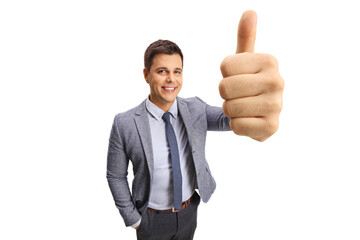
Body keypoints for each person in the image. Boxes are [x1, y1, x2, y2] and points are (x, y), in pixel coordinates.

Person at [106, 10, 284, 240]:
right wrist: (135, 220)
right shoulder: (125, 123)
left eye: (177, 71)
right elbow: (115, 175)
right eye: (162, 71)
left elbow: (229, 119)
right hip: (150, 220)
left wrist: (251, 103)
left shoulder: (195, 109)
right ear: (146, 75)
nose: (171, 79)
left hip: (189, 212)